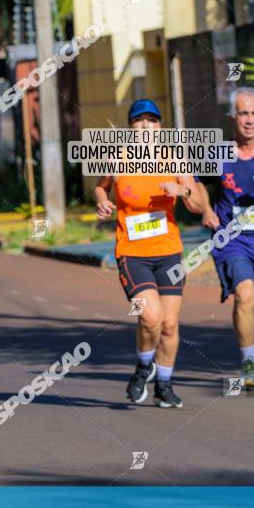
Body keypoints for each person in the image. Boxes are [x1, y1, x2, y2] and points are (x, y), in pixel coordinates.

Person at [95, 99, 204, 408]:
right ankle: (144, 367)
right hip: (132, 253)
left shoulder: (174, 158)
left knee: (170, 325)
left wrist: (181, 190)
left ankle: (164, 386)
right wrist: (101, 201)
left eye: (151, 122)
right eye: (138, 122)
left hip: (169, 252)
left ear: (159, 127)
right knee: (150, 316)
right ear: (131, 128)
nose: (145, 127)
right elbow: (100, 187)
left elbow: (197, 205)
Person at [196, 87, 254, 388]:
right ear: (232, 118)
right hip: (232, 238)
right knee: (244, 292)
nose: (249, 119)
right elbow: (194, 183)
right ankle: (247, 362)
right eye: (243, 113)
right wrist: (206, 208)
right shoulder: (219, 154)